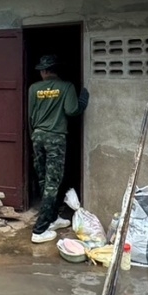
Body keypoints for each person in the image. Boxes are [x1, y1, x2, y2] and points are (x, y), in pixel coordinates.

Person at [27, 55, 89, 244]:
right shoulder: (67, 87)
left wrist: (34, 135)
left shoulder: (33, 88)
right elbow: (72, 111)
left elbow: (30, 115)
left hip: (37, 136)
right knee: (53, 183)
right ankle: (39, 230)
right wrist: (83, 101)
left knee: (45, 180)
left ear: (45, 71)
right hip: (55, 137)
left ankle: (53, 218)